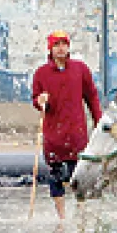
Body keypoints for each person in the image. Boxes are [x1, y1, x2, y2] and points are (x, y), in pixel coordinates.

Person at [31, 30, 102, 220]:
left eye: (64, 44)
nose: (61, 48)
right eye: (56, 44)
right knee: (55, 177)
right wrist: (41, 100)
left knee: (79, 174)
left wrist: (98, 120)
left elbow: (92, 96)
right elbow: (35, 100)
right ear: (50, 49)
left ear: (68, 47)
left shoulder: (80, 69)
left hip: (76, 133)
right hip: (54, 135)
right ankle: (62, 218)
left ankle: (80, 215)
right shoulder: (41, 73)